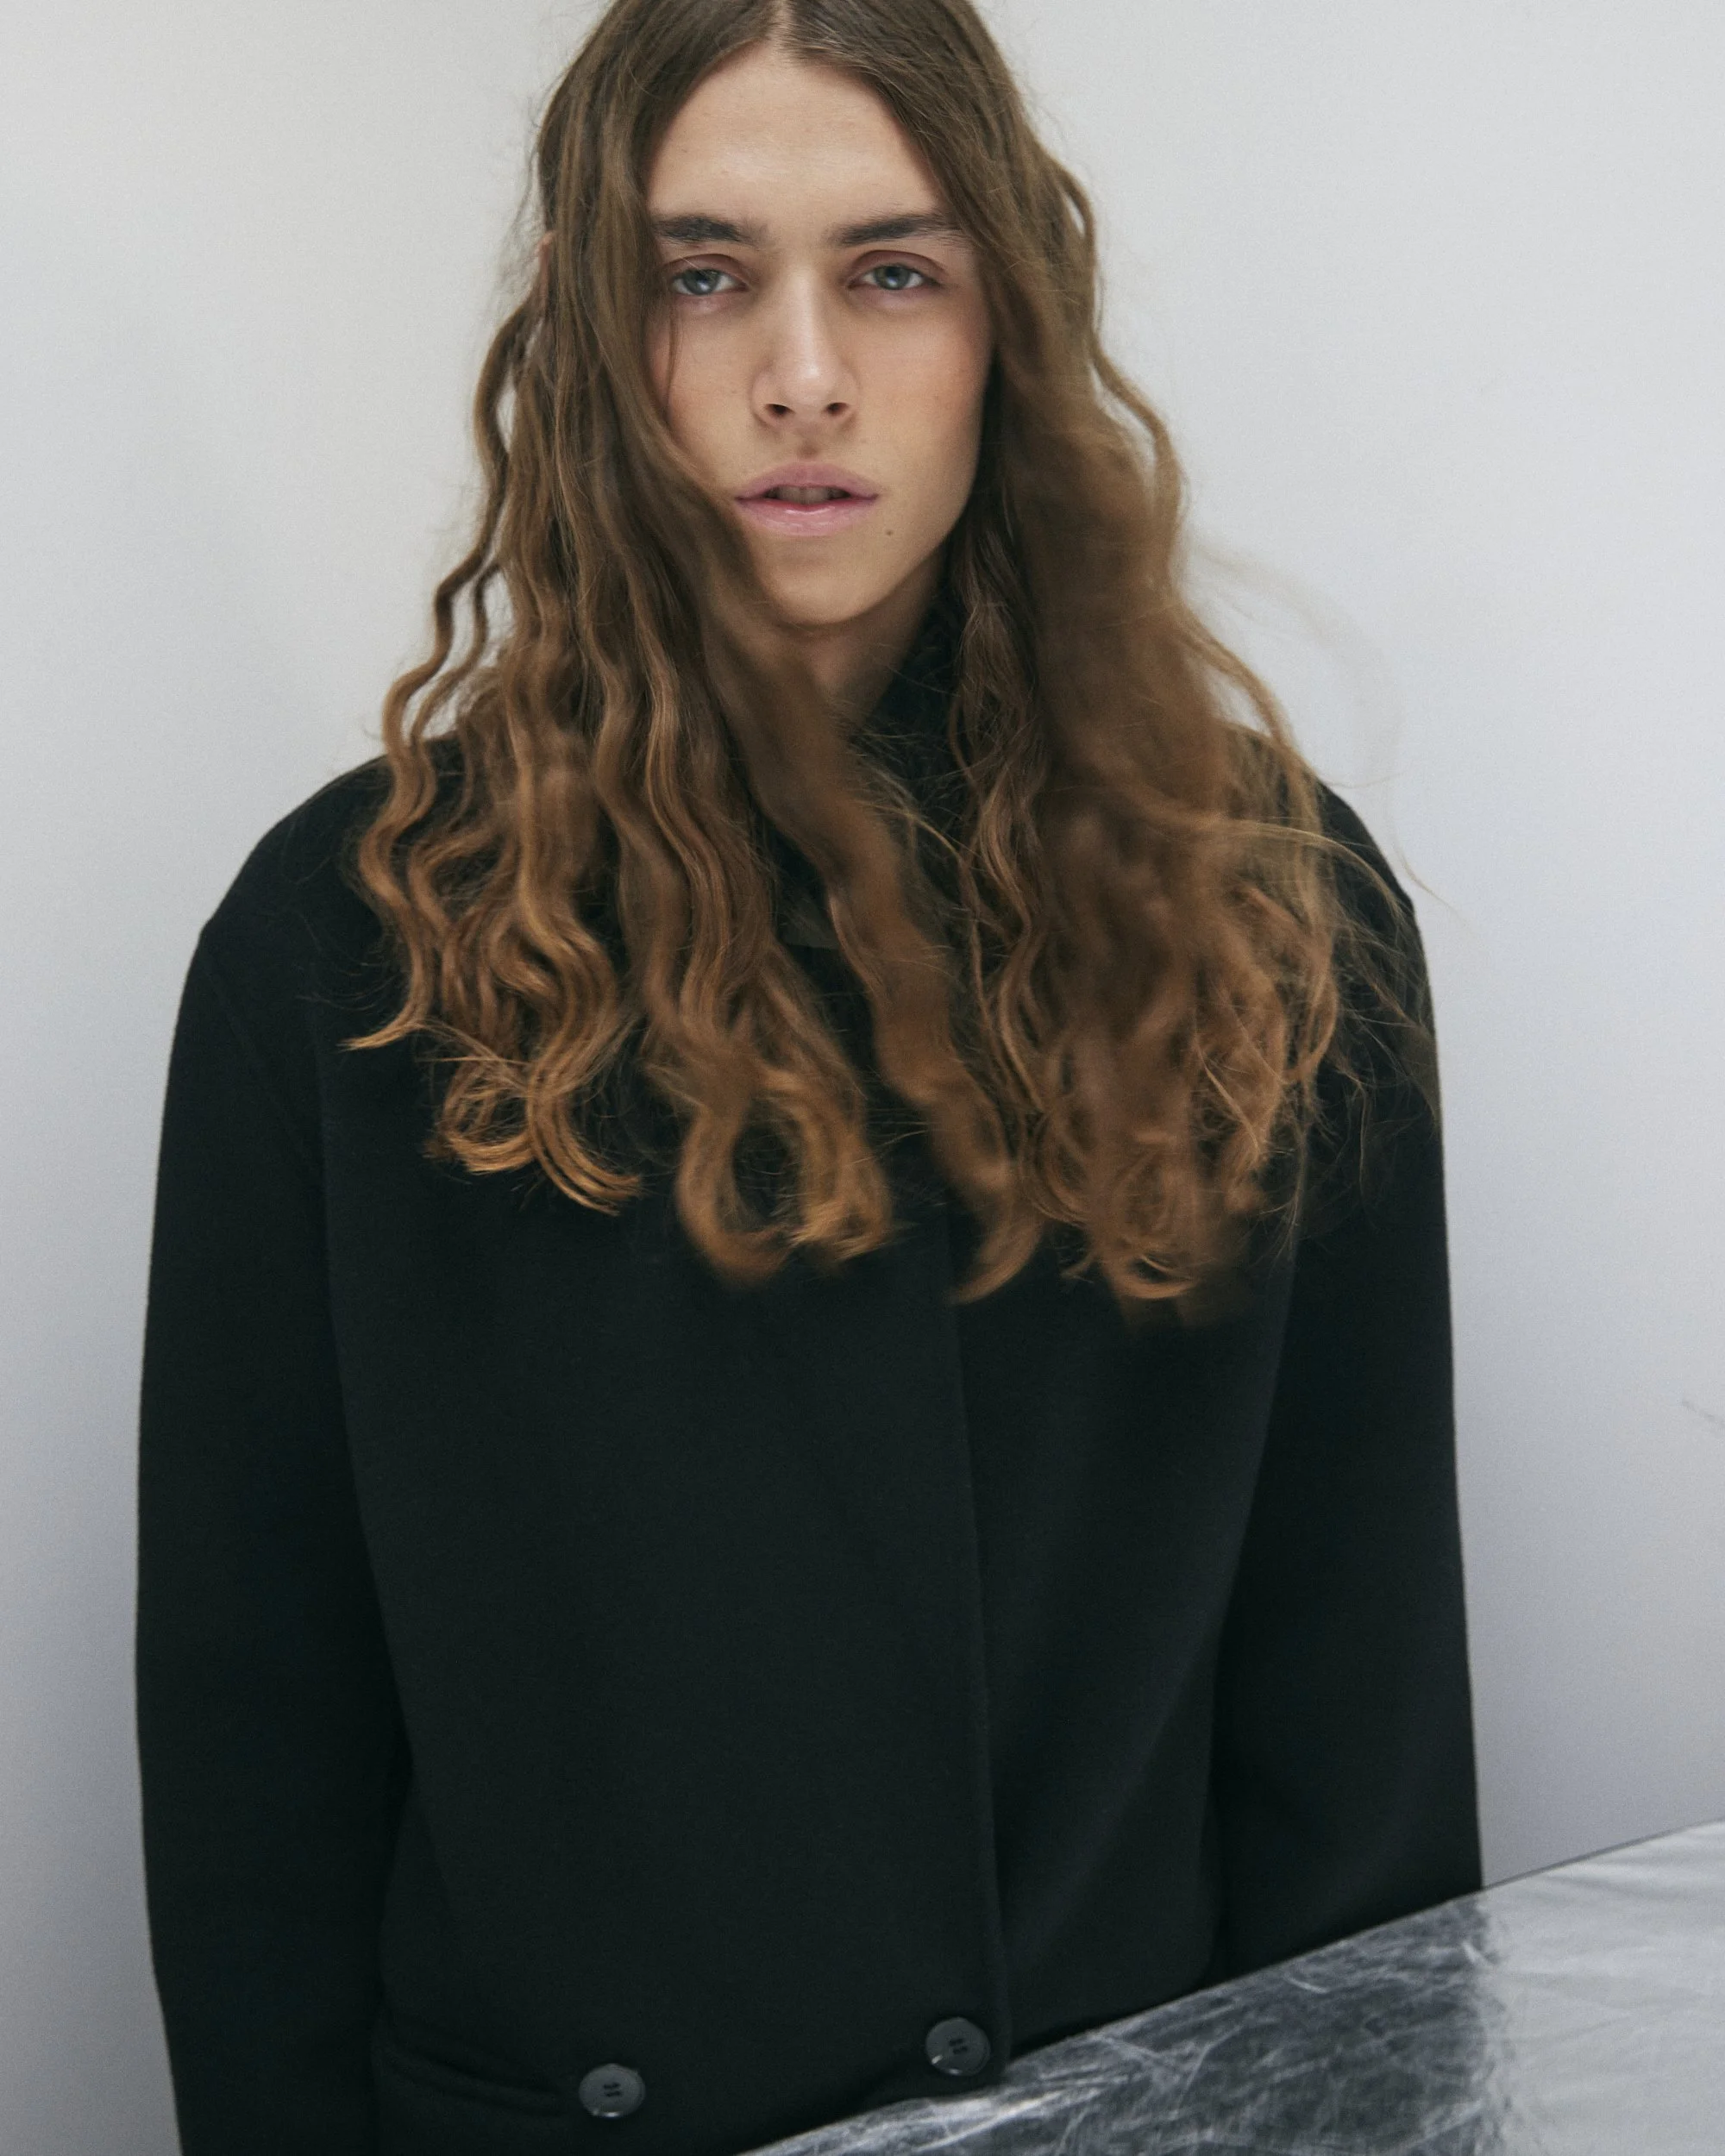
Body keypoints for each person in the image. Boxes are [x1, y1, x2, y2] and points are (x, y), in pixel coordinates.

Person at [135, 2, 1480, 2152]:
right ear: (595, 341)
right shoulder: (355, 937)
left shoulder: (1264, 903)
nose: (802, 375)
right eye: (699, 275)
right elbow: (255, 1761)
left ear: (1004, 327)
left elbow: (1360, 1730)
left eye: (890, 269)